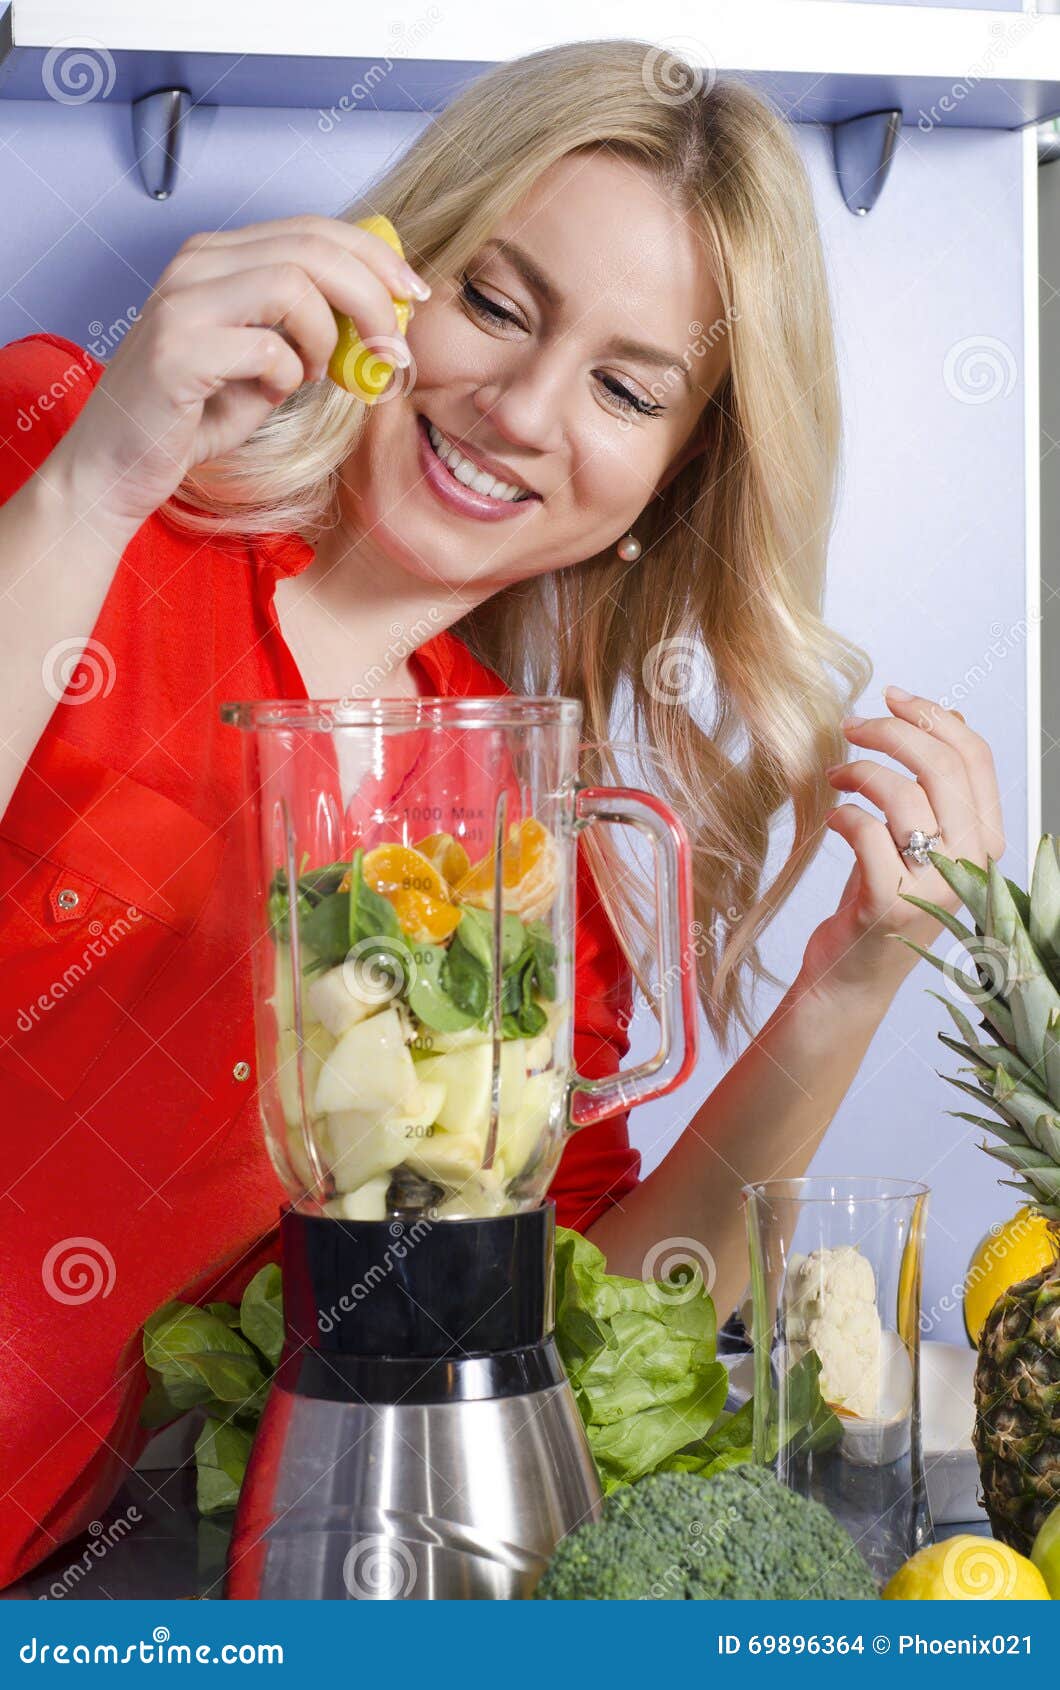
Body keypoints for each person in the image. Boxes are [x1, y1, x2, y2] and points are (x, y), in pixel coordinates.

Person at [0, 39, 1006, 1586]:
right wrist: (95, 485)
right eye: (493, 301)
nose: (523, 405)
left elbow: (582, 1314)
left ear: (674, 485)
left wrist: (843, 993)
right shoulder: (70, 457)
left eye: (625, 386)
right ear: (395, 278)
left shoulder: (514, 846)